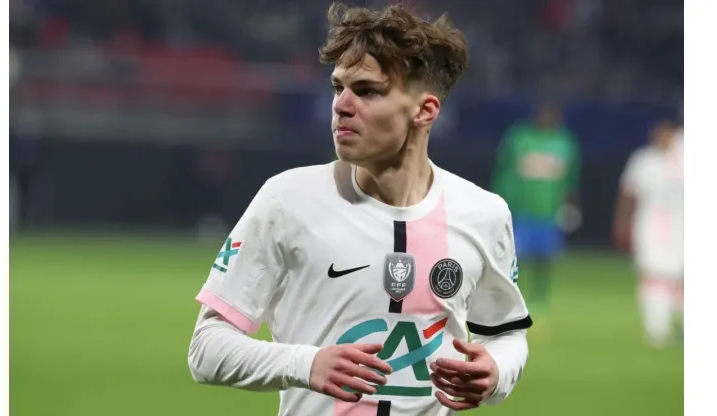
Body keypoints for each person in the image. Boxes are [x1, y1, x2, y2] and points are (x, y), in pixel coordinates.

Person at [188, 3, 532, 415]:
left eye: (367, 91)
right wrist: (305, 363)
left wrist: (496, 371)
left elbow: (507, 333)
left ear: (424, 111)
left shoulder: (484, 213)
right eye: (338, 88)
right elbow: (206, 348)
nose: (342, 105)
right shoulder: (287, 199)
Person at [491, 101, 581, 328]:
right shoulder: (519, 138)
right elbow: (503, 170)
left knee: (545, 259)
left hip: (549, 213)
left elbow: (571, 179)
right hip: (521, 211)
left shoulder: (565, 143)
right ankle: (510, 300)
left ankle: (540, 300)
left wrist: (570, 206)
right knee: (514, 257)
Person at [613, 120, 683, 349]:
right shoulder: (644, 161)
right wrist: (622, 224)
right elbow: (628, 194)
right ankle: (657, 330)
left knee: (679, 279)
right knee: (653, 276)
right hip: (650, 226)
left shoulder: (684, 158)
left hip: (682, 226)